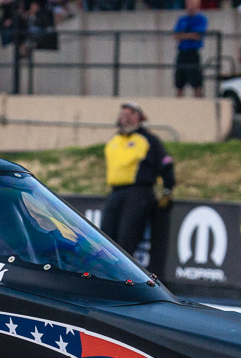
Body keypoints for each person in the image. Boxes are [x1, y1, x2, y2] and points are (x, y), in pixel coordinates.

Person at [101, 102, 175, 256]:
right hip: (115, 192)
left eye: (130, 114)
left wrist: (167, 188)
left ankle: (125, 277)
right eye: (123, 114)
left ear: (140, 117)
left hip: (138, 193)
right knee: (105, 238)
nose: (125, 118)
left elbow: (165, 163)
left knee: (126, 239)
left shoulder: (147, 139)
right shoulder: (114, 140)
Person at [172, 0, 207, 98]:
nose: (190, 5)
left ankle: (199, 105)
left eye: (192, 3)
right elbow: (176, 35)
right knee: (179, 82)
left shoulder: (201, 19)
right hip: (182, 53)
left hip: (192, 53)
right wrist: (189, 35)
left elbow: (197, 35)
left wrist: (183, 35)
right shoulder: (182, 19)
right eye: (188, 3)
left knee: (196, 83)